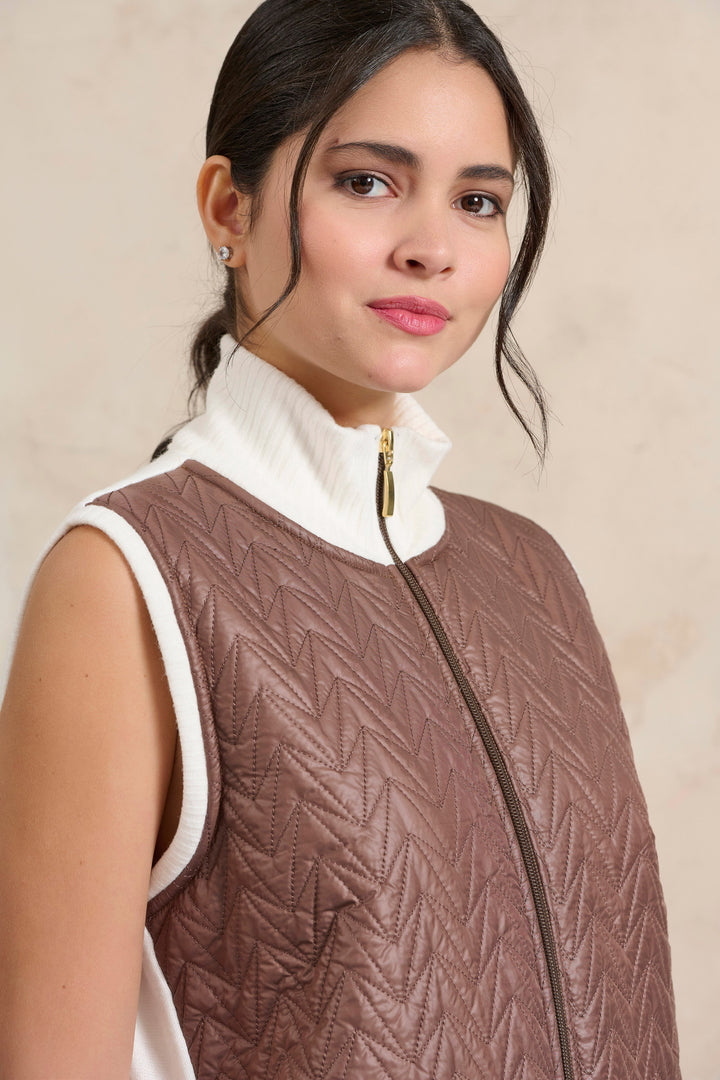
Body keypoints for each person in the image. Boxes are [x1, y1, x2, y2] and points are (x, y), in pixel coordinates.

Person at [0, 1, 681, 1078]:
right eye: (367, 182)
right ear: (229, 207)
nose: (431, 249)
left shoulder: (532, 575)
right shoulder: (130, 576)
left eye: (477, 201)